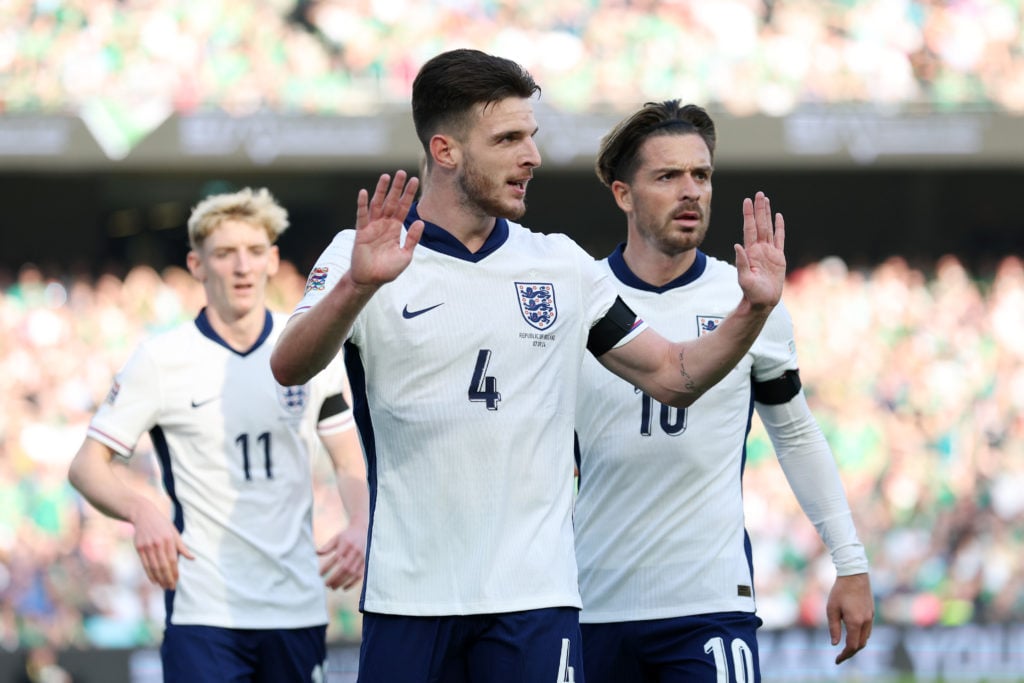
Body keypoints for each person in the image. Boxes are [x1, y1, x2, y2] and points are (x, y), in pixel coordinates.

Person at [270, 48, 785, 683]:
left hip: (535, 603)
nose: (533, 157)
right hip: (409, 597)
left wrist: (752, 311)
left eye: (531, 136)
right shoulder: (363, 253)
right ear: (446, 150)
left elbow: (673, 377)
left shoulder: (560, 266)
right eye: (509, 138)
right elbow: (289, 366)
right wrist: (356, 288)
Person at [572, 100, 874, 683]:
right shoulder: (579, 296)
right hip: (591, 603)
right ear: (622, 194)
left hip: (709, 604)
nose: (691, 191)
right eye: (667, 176)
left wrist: (851, 562)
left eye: (702, 175)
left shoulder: (748, 297)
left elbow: (794, 433)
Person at [67, 187, 369, 683]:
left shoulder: (311, 351)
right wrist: (142, 511)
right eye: (225, 254)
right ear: (197, 264)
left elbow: (348, 460)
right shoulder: (162, 359)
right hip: (204, 611)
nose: (242, 267)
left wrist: (360, 522)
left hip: (295, 606)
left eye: (254, 252)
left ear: (274, 261)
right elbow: (86, 466)